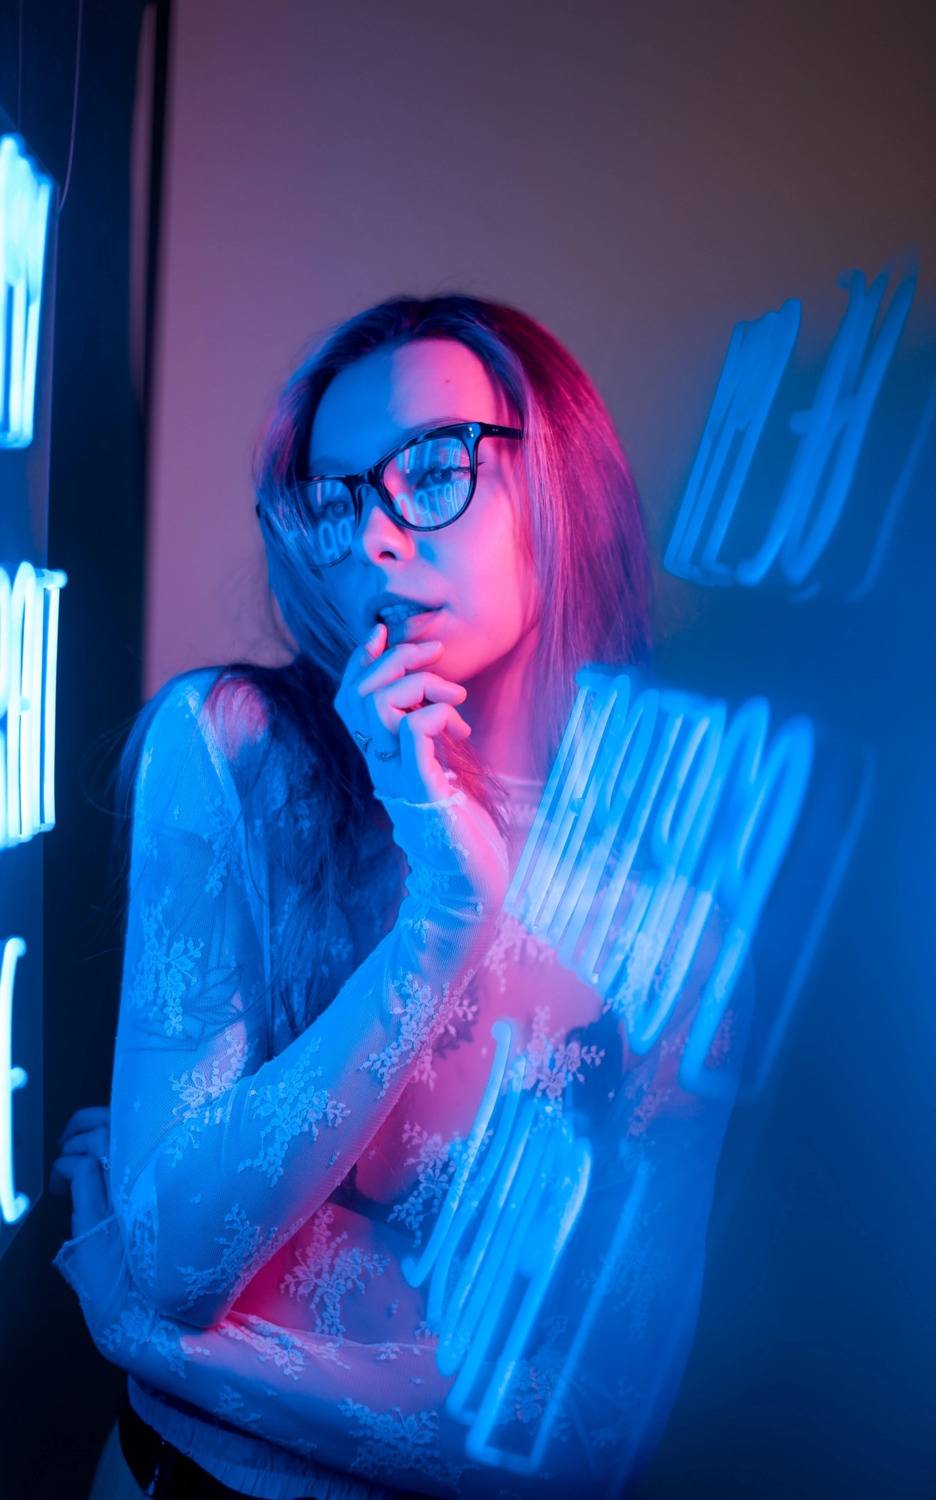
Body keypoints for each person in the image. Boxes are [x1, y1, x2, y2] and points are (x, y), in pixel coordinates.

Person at [50, 293, 751, 1499]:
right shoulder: (237, 753)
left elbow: (586, 1435)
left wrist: (150, 1343)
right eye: (334, 501)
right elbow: (176, 1255)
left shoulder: (673, 925)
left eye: (432, 471)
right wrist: (441, 921)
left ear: (557, 487)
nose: (374, 539)